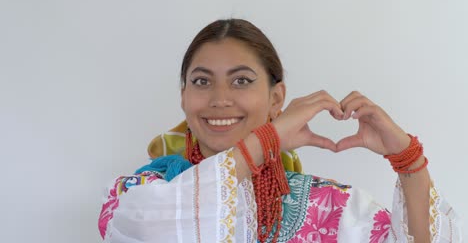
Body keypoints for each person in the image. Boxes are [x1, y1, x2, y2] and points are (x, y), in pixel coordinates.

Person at [98, 19, 461, 242]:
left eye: (241, 80)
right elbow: (157, 231)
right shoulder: (139, 197)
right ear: (183, 97)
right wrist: (265, 141)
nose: (219, 99)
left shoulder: (332, 209)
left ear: (277, 99)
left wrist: (408, 159)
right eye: (201, 81)